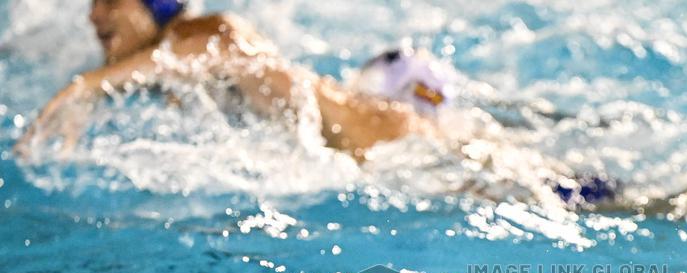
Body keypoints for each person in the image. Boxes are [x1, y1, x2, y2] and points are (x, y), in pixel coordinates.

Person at [14, 0, 436, 159]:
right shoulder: (162, 62)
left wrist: (89, 84)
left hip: (399, 144)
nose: (93, 14)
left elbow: (224, 42)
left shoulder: (195, 32)